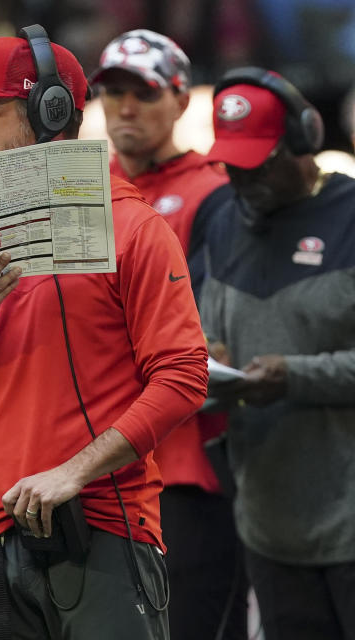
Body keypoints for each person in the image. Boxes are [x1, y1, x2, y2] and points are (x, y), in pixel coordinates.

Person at [0, 27, 209, 639]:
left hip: (106, 524)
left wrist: (75, 469)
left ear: (50, 110)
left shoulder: (133, 227)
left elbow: (184, 377)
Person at [89, 29, 246, 640]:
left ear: (181, 100)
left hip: (186, 462)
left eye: (144, 93)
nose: (125, 107)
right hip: (89, 456)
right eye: (113, 92)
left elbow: (216, 337)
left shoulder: (218, 191)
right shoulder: (76, 190)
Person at [200, 67, 355, 640]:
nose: (244, 178)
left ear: (304, 138)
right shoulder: (220, 220)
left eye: (258, 161)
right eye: (231, 163)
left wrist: (295, 376)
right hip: (267, 521)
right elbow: (204, 332)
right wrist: (207, 357)